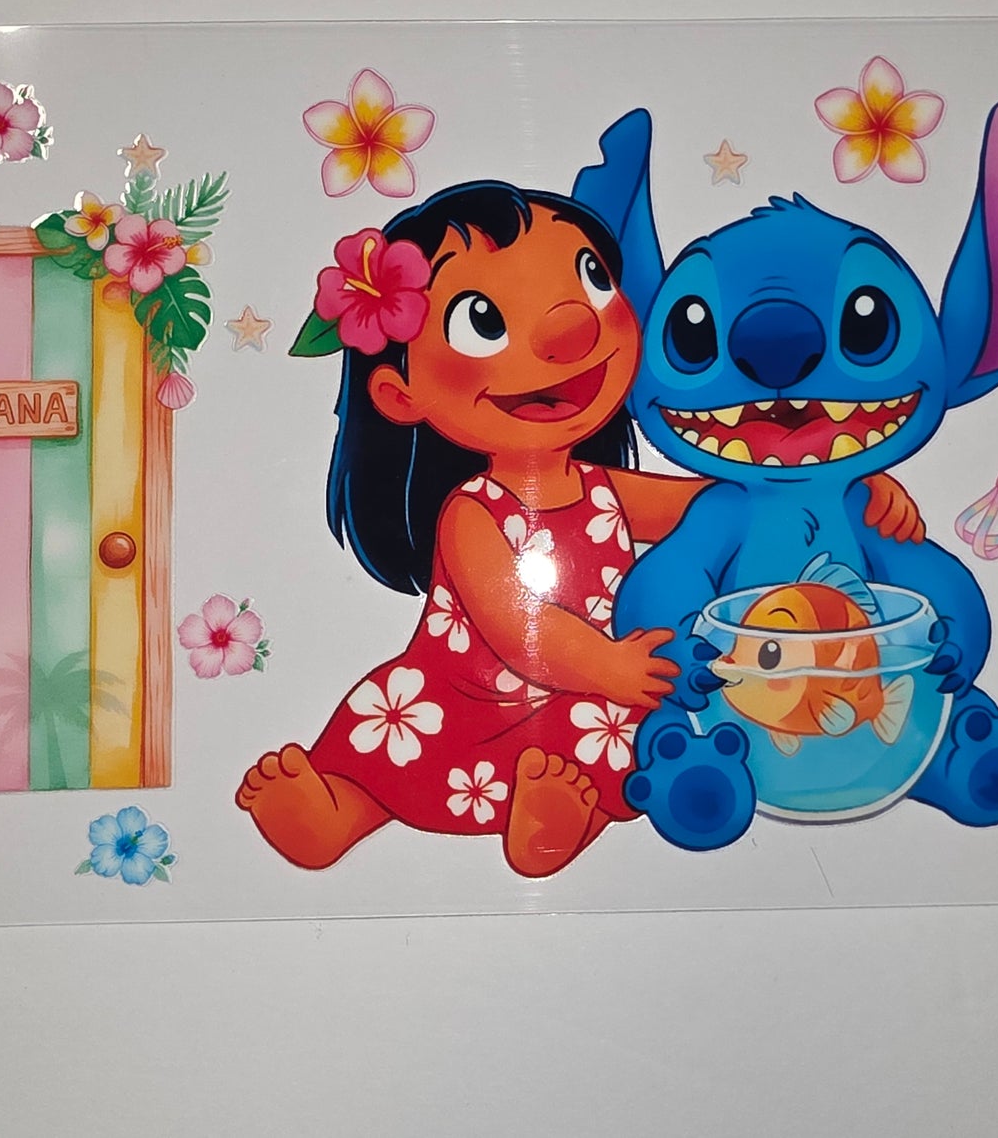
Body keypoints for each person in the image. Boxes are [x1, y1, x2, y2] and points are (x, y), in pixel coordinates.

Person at [237, 180, 923, 877]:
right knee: (387, 749)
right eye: (483, 321)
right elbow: (518, 625)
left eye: (592, 279)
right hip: (457, 697)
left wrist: (845, 488)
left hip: (579, 701)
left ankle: (557, 823)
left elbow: (721, 504)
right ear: (399, 394)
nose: (570, 331)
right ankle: (333, 814)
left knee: (612, 747)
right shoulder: (471, 512)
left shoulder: (601, 487)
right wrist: (608, 667)